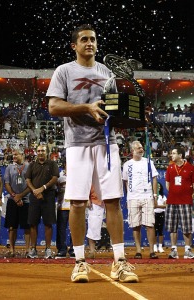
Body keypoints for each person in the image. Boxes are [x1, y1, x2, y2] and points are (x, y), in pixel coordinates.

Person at [47, 24, 138, 283]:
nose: (90, 43)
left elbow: (113, 107)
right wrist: (87, 107)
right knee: (77, 202)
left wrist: (128, 116)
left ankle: (120, 261)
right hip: (77, 144)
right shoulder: (64, 71)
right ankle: (79, 262)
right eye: (84, 39)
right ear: (74, 45)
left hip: (106, 143)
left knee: (112, 200)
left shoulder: (107, 72)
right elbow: (54, 106)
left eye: (93, 39)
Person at [122, 140, 159, 259]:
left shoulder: (149, 162)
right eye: (138, 148)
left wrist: (154, 196)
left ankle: (152, 251)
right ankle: (138, 250)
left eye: (142, 147)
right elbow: (126, 182)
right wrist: (128, 197)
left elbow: (154, 179)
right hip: (133, 198)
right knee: (135, 225)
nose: (141, 149)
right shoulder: (127, 164)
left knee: (150, 225)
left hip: (147, 196)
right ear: (133, 150)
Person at [25, 144, 59, 259]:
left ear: (47, 152)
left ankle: (48, 249)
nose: (40, 153)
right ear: (36, 152)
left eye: (43, 151)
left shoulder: (52, 164)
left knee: (48, 224)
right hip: (34, 197)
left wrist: (43, 188)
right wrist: (35, 191)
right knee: (33, 223)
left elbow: (55, 178)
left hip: (48, 196)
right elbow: (28, 180)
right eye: (38, 151)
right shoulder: (32, 165)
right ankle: (33, 249)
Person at [165, 146, 194, 259]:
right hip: (172, 201)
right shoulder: (170, 168)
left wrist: (187, 194)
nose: (171, 155)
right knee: (172, 227)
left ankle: (187, 250)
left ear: (180, 155)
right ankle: (173, 250)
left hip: (186, 201)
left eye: (173, 153)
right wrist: (175, 193)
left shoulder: (191, 168)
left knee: (187, 227)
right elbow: (167, 185)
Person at [4, 149, 31, 257]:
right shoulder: (9, 168)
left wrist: (21, 196)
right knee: (12, 227)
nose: (14, 156)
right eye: (13, 155)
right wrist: (15, 197)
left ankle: (28, 250)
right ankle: (12, 249)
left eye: (16, 154)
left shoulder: (29, 167)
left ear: (22, 155)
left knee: (27, 227)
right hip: (12, 200)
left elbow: (31, 184)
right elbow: (7, 184)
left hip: (26, 200)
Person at [55, 168, 75, 259]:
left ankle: (74, 250)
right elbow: (55, 190)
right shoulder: (59, 176)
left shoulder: (76, 174)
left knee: (74, 229)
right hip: (62, 206)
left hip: (74, 207)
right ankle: (62, 250)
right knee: (61, 229)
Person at [86, 186, 105, 259]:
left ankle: (118, 252)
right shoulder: (91, 174)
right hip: (95, 200)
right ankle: (92, 251)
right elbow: (86, 182)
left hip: (110, 200)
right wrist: (87, 198)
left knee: (114, 227)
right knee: (92, 226)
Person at [153, 182, 167, 253]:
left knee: (160, 231)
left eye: (159, 186)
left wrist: (157, 206)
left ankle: (160, 247)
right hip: (154, 214)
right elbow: (152, 205)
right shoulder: (152, 196)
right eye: (156, 186)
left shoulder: (163, 196)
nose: (158, 187)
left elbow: (165, 205)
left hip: (161, 214)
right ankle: (155, 246)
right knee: (154, 231)